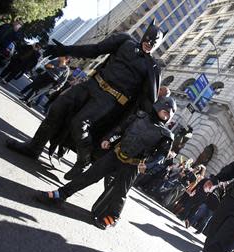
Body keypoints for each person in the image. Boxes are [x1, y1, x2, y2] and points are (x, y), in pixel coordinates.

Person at [6, 20, 167, 180]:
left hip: (110, 99)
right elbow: (95, 50)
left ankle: (84, 159)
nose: (150, 44)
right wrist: (65, 49)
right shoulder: (124, 41)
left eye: (155, 43)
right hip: (92, 84)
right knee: (58, 107)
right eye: (149, 39)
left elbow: (147, 102)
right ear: (144, 35)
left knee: (80, 123)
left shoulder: (152, 68)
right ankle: (34, 147)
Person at [35, 96, 176, 229]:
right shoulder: (139, 116)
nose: (166, 116)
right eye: (165, 112)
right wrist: (109, 139)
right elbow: (120, 130)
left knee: (120, 192)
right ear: (158, 107)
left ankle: (112, 216)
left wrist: (148, 165)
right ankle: (62, 194)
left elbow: (161, 157)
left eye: (169, 115)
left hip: (133, 164)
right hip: (115, 154)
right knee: (89, 175)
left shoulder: (166, 135)